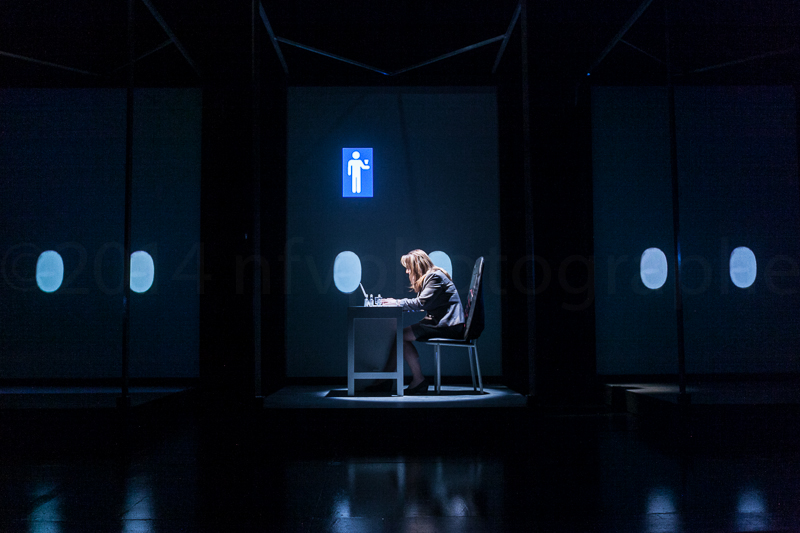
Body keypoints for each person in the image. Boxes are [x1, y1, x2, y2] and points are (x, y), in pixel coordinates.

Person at [367, 249, 465, 395]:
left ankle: (390, 380)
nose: (407, 271)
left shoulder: (434, 276)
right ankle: (402, 379)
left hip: (447, 325)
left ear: (417, 266)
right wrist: (398, 304)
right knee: (401, 336)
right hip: (443, 323)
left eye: (408, 268)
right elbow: (423, 304)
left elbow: (421, 303)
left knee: (401, 336)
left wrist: (396, 303)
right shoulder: (433, 276)